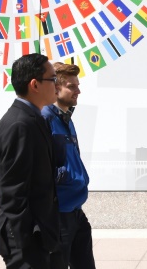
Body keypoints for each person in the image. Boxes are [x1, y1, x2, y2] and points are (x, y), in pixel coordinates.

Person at [0, 53, 64, 269]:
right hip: (25, 241)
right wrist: (24, 245)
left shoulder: (34, 119)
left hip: (39, 235)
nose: (57, 85)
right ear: (35, 84)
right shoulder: (19, 125)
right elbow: (13, 191)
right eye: (53, 79)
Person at [42, 62, 96, 269]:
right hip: (59, 214)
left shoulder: (66, 118)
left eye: (78, 85)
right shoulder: (45, 118)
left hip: (76, 211)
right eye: (72, 86)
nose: (78, 91)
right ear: (56, 87)